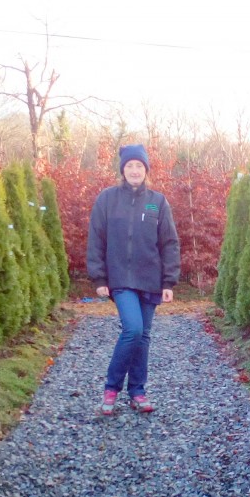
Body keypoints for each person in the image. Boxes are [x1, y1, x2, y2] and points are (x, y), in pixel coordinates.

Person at [86, 144, 180, 416]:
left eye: (139, 166)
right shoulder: (107, 199)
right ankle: (111, 388)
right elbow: (96, 240)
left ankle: (137, 391)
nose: (135, 170)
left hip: (150, 278)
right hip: (121, 279)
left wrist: (168, 282)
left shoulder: (157, 202)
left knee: (144, 337)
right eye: (130, 166)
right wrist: (100, 277)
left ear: (146, 169)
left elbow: (169, 243)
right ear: (122, 170)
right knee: (133, 330)